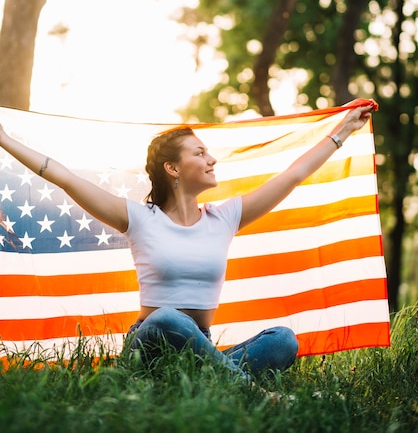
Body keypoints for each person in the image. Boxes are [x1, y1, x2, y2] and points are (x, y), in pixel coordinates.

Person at [0, 99, 376, 384]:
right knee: (167, 315)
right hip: (150, 342)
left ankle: (210, 379)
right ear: (173, 168)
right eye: (200, 153)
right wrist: (2, 139)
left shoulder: (224, 217)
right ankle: (248, 390)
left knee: (283, 340)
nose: (211, 160)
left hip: (200, 344)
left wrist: (342, 130)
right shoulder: (138, 219)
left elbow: (293, 175)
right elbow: (64, 177)